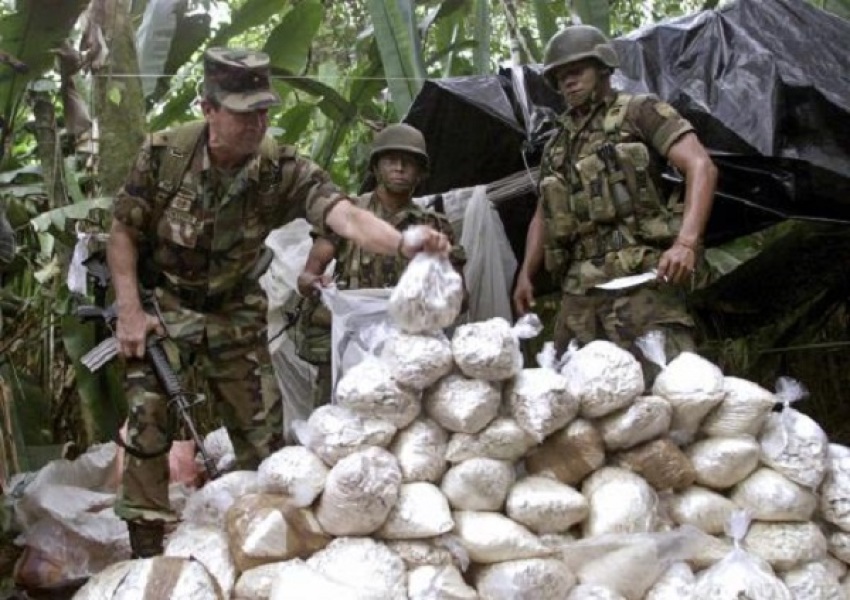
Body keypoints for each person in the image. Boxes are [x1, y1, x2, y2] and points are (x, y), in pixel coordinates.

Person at [108, 48, 450, 558]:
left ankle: (261, 546)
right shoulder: (165, 156)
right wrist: (130, 311)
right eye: (243, 113)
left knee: (264, 438)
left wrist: (403, 242)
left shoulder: (281, 168)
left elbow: (346, 217)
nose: (257, 124)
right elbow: (122, 232)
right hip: (167, 306)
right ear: (209, 109)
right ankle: (145, 552)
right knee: (149, 418)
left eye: (263, 111)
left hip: (236, 309)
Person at [513, 24, 717, 362]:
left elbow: (701, 166)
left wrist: (686, 243)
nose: (568, 82)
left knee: (672, 384)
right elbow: (543, 213)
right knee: (569, 388)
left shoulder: (639, 111)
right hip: (581, 293)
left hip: (643, 282)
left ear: (603, 68)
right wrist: (526, 274)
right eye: (561, 77)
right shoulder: (556, 145)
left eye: (577, 71)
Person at [290, 123, 466, 413]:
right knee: (337, 418)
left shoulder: (433, 226)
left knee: (406, 421)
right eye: (391, 160)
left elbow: (460, 296)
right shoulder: (350, 215)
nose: (399, 168)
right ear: (375, 168)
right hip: (351, 342)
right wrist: (315, 283)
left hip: (408, 348)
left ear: (421, 173)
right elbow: (308, 274)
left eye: (409, 162)